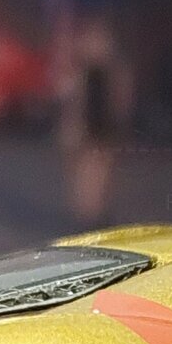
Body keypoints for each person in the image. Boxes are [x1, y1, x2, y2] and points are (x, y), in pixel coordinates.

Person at [60, 21, 129, 227]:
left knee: (101, 168)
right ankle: (88, 211)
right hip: (88, 123)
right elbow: (73, 103)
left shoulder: (111, 73)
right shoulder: (83, 74)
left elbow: (119, 100)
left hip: (103, 122)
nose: (98, 46)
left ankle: (94, 210)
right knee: (87, 168)